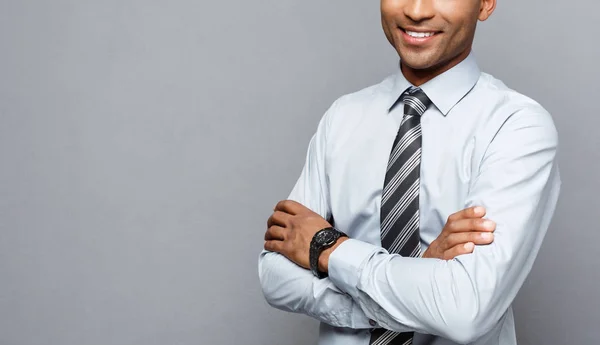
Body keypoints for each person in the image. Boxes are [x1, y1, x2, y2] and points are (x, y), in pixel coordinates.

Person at [258, 0, 561, 344]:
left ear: (486, 3)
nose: (416, 11)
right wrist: (416, 284)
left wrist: (326, 247)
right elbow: (275, 276)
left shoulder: (516, 126)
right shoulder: (342, 117)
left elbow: (464, 311)